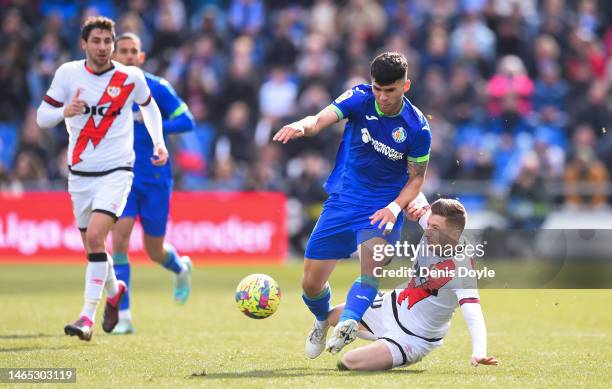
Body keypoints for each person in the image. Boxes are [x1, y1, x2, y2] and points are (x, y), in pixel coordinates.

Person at [273, 52, 431, 356]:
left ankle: (347, 321)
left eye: (390, 90)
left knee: (371, 270)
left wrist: (396, 208)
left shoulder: (417, 128)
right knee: (310, 285)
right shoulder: (359, 97)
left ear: (406, 86)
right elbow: (320, 119)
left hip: (383, 208)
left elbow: (416, 179)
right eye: (377, 89)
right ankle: (323, 319)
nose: (382, 98)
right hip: (344, 200)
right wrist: (303, 126)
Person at [35, 16, 167, 341]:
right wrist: (64, 112)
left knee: (96, 238)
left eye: (108, 42)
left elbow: (149, 107)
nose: (103, 47)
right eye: (97, 41)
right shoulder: (68, 74)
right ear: (84, 44)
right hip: (79, 175)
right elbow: (41, 117)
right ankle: (114, 289)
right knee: (93, 249)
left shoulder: (129, 78)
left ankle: (86, 318)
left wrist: (160, 142)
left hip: (118, 170)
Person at [327, 198, 499, 371]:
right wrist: (410, 206)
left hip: (413, 337)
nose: (428, 231)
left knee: (349, 361)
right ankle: (369, 340)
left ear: (454, 234)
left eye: (435, 228)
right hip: (390, 306)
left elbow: (473, 313)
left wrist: (479, 351)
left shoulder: (462, 269)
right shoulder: (432, 227)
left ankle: (388, 347)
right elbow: (415, 189)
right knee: (332, 315)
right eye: (429, 225)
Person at [110, 32, 195, 335]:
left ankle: (180, 268)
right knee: (118, 242)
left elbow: (188, 120)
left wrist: (148, 121)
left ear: (142, 57)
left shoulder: (157, 87)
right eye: (124, 51)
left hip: (156, 178)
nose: (130, 56)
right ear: (113, 54)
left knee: (153, 250)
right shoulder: (107, 89)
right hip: (123, 176)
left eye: (135, 51)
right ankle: (123, 316)